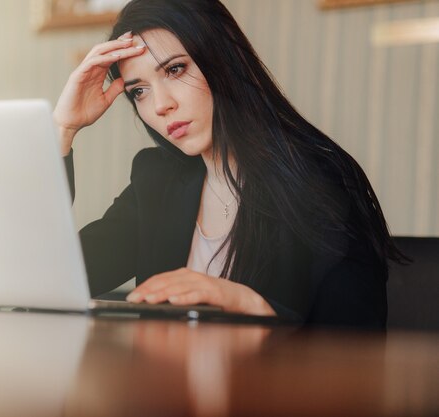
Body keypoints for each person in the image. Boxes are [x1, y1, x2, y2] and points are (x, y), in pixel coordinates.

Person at [52, 0, 407, 328]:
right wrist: (62, 130)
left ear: (221, 60)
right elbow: (54, 277)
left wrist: (249, 306)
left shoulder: (319, 182)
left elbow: (352, 354)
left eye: (175, 69)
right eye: (139, 91)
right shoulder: (157, 180)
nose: (160, 105)